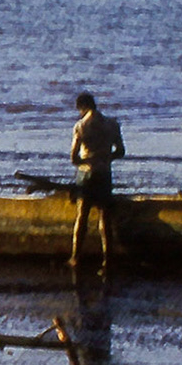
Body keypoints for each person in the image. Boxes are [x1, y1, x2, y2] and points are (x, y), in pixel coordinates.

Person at [69, 92, 127, 271]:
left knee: (82, 216)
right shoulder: (112, 124)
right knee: (105, 218)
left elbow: (74, 158)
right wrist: (106, 158)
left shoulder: (81, 126)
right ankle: (107, 259)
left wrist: (86, 161)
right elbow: (120, 151)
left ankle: (75, 257)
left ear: (82, 107)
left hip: (87, 174)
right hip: (104, 173)